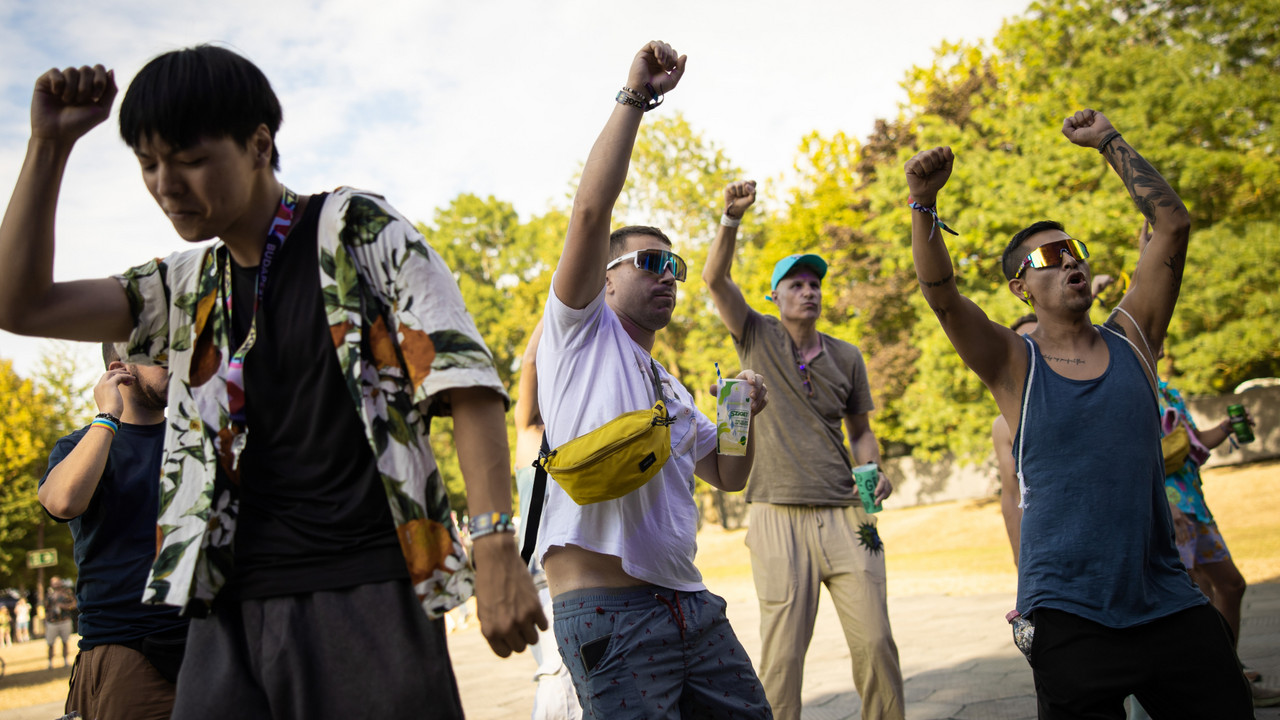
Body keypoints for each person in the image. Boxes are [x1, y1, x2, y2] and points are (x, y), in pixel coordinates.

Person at [0, 47, 543, 719]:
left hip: (365, 588)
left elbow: (466, 379)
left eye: (190, 159)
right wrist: (48, 145)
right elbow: (21, 304)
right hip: (223, 608)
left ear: (259, 144)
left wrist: (494, 547)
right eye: (148, 163)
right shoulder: (185, 284)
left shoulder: (352, 231)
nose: (167, 184)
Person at [904, 109, 1252, 716]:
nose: (1069, 261)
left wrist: (1110, 140)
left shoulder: (1134, 339)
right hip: (1068, 615)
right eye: (1047, 258)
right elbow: (942, 295)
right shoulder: (1012, 362)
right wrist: (923, 204)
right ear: (1020, 288)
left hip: (1167, 601)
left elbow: (1172, 225)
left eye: (1074, 250)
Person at [534, 40, 771, 719]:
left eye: (676, 268)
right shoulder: (579, 334)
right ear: (604, 281)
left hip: (691, 605)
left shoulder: (669, 386)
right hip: (610, 612)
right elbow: (589, 213)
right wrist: (637, 97)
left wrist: (740, 411)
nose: (668, 276)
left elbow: (727, 475)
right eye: (649, 262)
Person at [702, 180, 904, 720]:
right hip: (775, 514)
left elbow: (860, 430)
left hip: (847, 515)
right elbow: (714, 279)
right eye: (795, 284)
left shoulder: (847, 356)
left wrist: (873, 470)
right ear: (775, 297)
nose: (808, 291)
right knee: (783, 658)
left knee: (878, 645)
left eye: (814, 283)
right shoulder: (755, 334)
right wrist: (730, 219)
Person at [38, 345, 187, 718]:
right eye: (160, 356)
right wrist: (107, 416)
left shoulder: (197, 438)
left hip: (212, 644)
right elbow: (61, 502)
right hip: (130, 650)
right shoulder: (81, 445)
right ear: (120, 369)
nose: (175, 363)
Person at [513, 320, 582, 720]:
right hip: (542, 577)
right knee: (558, 679)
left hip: (582, 574)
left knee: (578, 682)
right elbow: (529, 362)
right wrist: (555, 311)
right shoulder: (531, 432)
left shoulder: (581, 433)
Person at [991, 313, 1037, 567]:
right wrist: (1022, 567)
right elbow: (1010, 497)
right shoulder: (1003, 426)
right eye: (1025, 345)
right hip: (1047, 560)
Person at [43, 577, 76, 669]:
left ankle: (65, 661)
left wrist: (64, 606)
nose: (56, 585)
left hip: (64, 620)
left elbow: (74, 604)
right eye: (54, 583)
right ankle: (50, 663)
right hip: (52, 622)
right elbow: (45, 608)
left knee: (65, 641)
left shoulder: (67, 593)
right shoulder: (49, 595)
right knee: (50, 643)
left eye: (57, 582)